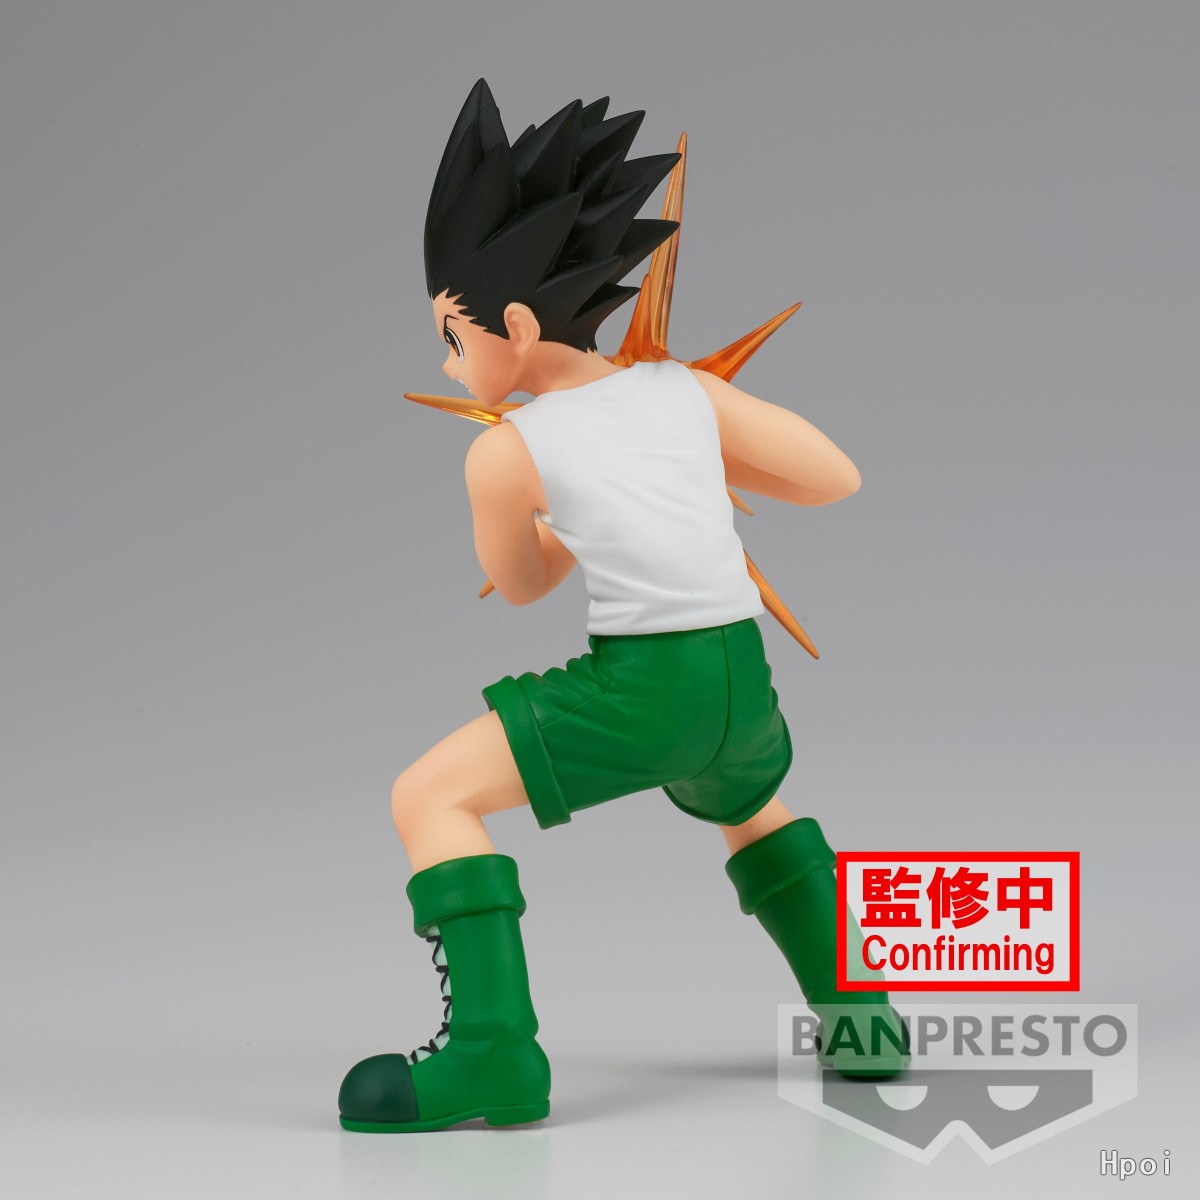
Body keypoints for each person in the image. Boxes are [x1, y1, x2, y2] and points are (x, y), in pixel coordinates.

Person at [338, 79, 907, 1134]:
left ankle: (493, 1053)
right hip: (742, 683)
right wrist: (691, 455)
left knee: (430, 797)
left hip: (648, 688)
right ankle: (865, 1024)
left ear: (515, 324)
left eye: (454, 335)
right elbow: (836, 477)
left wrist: (565, 523)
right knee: (749, 806)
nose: (448, 360)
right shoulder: (686, 390)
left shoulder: (506, 451)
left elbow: (520, 587)